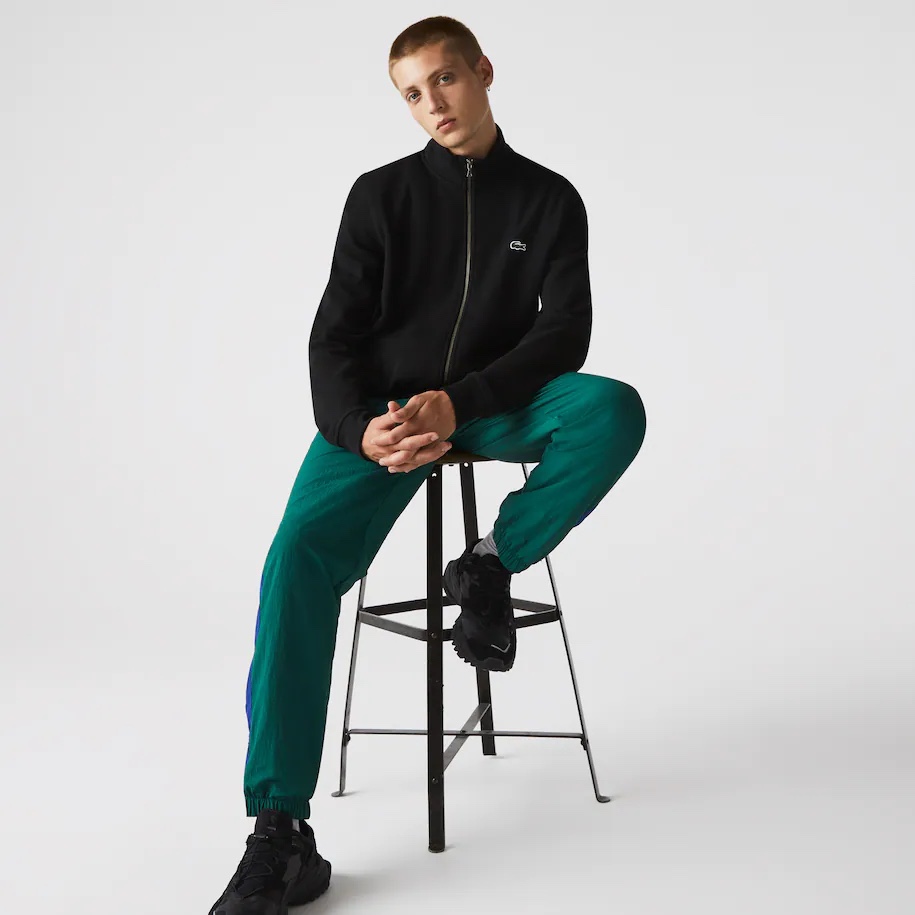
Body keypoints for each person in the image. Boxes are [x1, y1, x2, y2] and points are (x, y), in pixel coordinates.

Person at [208, 15, 646, 914]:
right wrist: (357, 427)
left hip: (494, 404)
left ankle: (488, 562)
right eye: (412, 93)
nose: (432, 104)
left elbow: (564, 333)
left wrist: (466, 398)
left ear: (482, 70)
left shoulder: (549, 199)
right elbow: (332, 337)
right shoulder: (380, 197)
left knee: (610, 408)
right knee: (293, 565)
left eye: (444, 79)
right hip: (388, 420)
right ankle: (279, 829)